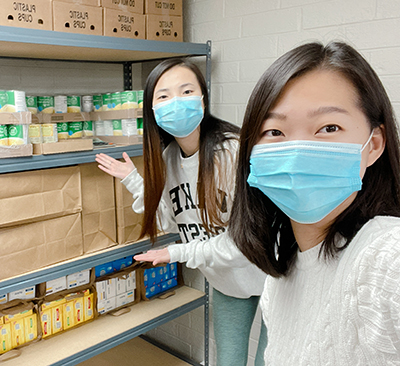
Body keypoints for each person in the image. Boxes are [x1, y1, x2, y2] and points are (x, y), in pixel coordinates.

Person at [227, 41, 400, 365]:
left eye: (328, 128)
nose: (297, 151)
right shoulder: (280, 280)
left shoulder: (386, 256)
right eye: (274, 131)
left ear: (373, 145)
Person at [95, 58, 267, 366]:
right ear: (152, 111)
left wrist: (176, 254)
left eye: (186, 91)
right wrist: (134, 180)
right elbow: (168, 218)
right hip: (226, 279)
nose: (176, 102)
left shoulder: (232, 151)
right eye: (163, 96)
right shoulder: (169, 158)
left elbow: (243, 243)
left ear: (202, 98)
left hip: (274, 275)